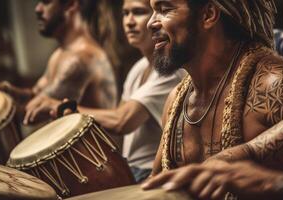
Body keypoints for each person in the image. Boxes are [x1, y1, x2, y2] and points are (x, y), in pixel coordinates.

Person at [142, 1, 283, 199]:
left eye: (165, 10)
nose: (150, 23)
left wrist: (268, 183)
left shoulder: (276, 86)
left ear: (208, 15)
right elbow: (154, 185)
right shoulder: (176, 101)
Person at [44, 0, 185, 183]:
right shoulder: (139, 68)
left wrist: (67, 108)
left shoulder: (169, 71)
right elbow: (116, 120)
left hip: (150, 170)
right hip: (132, 168)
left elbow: (121, 121)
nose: (129, 21)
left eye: (138, 12)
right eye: (125, 13)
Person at [0, 0, 117, 125]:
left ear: (70, 4)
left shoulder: (78, 60)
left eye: (46, 2)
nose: (38, 9)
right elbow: (36, 95)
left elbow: (31, 114)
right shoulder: (61, 53)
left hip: (94, 159)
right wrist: (2, 89)